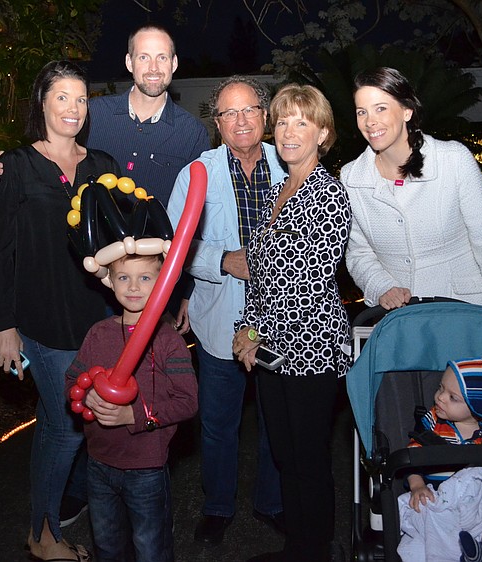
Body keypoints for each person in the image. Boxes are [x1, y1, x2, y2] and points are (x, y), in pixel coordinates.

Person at [0, 60, 119, 562]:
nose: (73, 108)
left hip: (97, 319)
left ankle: (44, 524)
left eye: (81, 99)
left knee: (59, 424)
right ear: (42, 102)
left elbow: (118, 241)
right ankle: (43, 536)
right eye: (62, 97)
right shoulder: (14, 166)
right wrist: (4, 324)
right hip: (43, 322)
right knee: (66, 427)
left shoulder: (101, 165)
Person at [341, 67, 482, 361]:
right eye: (361, 112)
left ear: (407, 111)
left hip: (467, 319)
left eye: (381, 108)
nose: (370, 121)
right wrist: (382, 286)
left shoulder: (453, 161)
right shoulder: (352, 178)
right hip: (405, 327)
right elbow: (359, 254)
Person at [231, 84, 352, 562]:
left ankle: (314, 550)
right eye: (282, 121)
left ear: (322, 133)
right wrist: (246, 329)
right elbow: (258, 272)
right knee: (284, 454)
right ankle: (297, 548)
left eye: (302, 122)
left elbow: (303, 283)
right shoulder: (276, 192)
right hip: (274, 352)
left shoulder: (328, 194)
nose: (288, 131)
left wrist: (255, 334)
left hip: (312, 348)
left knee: (308, 459)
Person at [167, 76, 285, 545]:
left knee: (277, 423)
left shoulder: (290, 163)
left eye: (249, 109)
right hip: (220, 320)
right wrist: (221, 261)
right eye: (229, 113)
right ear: (217, 123)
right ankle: (217, 506)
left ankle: (272, 503)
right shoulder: (197, 173)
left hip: (281, 320)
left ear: (265, 115)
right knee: (218, 425)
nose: (241, 121)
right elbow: (176, 245)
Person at [0, 23, 210, 207]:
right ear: (129, 62)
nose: (153, 68)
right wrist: (12, 169)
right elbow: (50, 154)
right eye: (143, 57)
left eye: (162, 57)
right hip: (89, 247)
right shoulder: (91, 114)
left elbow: (199, 206)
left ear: (174, 63)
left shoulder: (193, 134)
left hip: (158, 250)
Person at [64, 253, 198, 562]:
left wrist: (135, 415)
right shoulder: (98, 334)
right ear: (110, 282)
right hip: (98, 464)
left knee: (151, 548)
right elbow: (71, 379)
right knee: (107, 546)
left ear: (163, 282)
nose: (134, 286)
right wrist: (85, 395)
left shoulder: (168, 341)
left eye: (145, 277)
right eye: (124, 277)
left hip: (146, 469)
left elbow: (188, 401)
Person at [402, 358, 482, 562]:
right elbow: (411, 461)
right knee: (422, 508)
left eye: (453, 397)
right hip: (441, 504)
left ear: (478, 407)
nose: (440, 397)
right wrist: (417, 486)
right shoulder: (432, 428)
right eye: (440, 388)